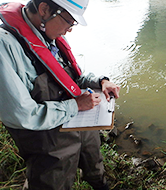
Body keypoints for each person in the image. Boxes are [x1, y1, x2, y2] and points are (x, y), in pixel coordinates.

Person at [0, 0, 120, 189]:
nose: (70, 30)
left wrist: (100, 82)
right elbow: (22, 114)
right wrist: (75, 105)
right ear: (45, 9)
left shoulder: (47, 32)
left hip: (81, 127)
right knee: (52, 182)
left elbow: (71, 78)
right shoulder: (5, 46)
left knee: (95, 167)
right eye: (69, 21)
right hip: (49, 147)